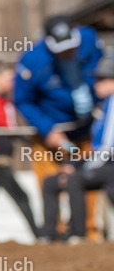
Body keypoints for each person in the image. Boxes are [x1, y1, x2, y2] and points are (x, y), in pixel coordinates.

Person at [15, 15, 104, 239]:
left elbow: (104, 76)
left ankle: (88, 233)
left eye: (71, 46)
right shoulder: (32, 61)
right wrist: (47, 129)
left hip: (86, 131)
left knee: (88, 182)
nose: (68, 52)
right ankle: (54, 236)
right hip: (51, 136)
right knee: (51, 184)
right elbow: (23, 100)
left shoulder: (90, 40)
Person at [41, 56, 114, 241]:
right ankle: (49, 235)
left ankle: (78, 235)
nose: (96, 84)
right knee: (50, 182)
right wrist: (75, 162)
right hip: (102, 162)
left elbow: (106, 149)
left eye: (102, 79)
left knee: (74, 179)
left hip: (110, 165)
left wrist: (79, 167)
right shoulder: (104, 105)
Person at [0, 62, 42, 240]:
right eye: (9, 78)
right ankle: (38, 234)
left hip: (5, 156)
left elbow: (10, 129)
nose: (13, 82)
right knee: (22, 196)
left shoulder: (6, 102)